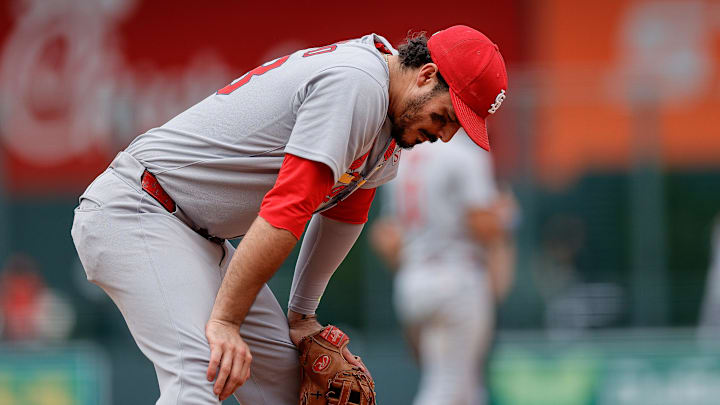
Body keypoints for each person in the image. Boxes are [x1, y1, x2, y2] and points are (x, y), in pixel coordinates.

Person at [71, 25, 508, 404]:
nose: (446, 135)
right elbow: (289, 208)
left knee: (288, 385)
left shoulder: (390, 127)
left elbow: (344, 212)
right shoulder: (356, 84)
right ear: (427, 75)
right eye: (447, 116)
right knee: (201, 371)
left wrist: (301, 316)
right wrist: (225, 322)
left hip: (200, 237)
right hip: (138, 209)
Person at [370, 132, 516, 405]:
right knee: (446, 386)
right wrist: (508, 218)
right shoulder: (464, 153)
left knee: (466, 386)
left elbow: (386, 237)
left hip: (413, 277)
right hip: (456, 277)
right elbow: (481, 223)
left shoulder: (404, 155)